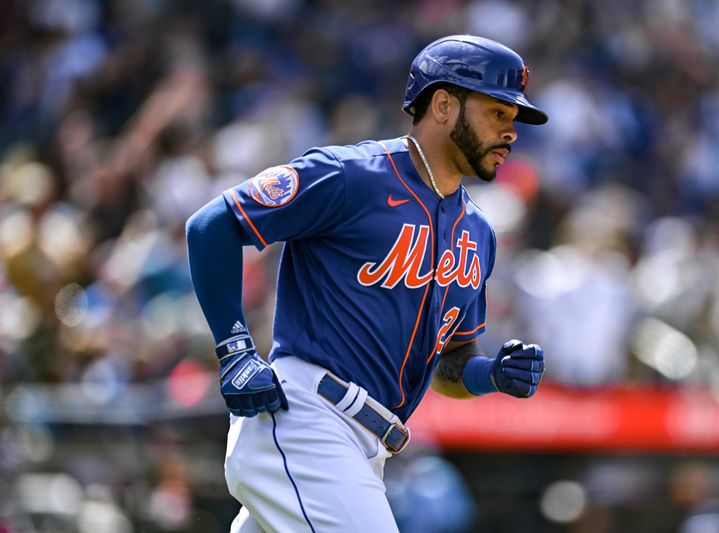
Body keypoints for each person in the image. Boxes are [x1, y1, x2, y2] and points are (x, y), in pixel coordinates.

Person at [186, 34, 547, 532]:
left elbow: (450, 366)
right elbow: (211, 226)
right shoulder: (351, 176)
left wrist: (492, 376)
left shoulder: (478, 233)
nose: (511, 132)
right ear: (443, 105)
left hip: (367, 450)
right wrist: (234, 349)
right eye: (497, 113)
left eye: (514, 120)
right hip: (306, 419)